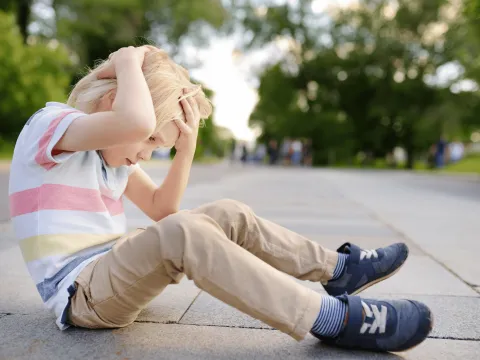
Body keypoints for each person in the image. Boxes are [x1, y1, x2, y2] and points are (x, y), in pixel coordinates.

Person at [8, 45, 432, 353]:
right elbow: (134, 124)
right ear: (114, 101)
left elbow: (161, 209)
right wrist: (126, 59)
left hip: (111, 271)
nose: (144, 153)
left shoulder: (109, 157)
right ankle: (331, 319)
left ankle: (338, 269)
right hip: (83, 294)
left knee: (226, 213)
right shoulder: (52, 126)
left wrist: (186, 148)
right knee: (184, 232)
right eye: (152, 140)